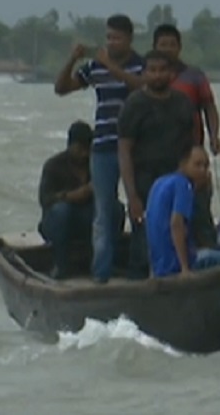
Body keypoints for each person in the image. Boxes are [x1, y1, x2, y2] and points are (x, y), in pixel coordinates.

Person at [53, 14, 145, 283]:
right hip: (103, 146)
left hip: (135, 147)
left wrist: (111, 67)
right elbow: (61, 88)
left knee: (138, 207)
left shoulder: (141, 65)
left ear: (129, 39)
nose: (112, 43)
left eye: (117, 38)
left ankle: (138, 270)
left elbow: (142, 87)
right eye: (108, 38)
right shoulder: (95, 67)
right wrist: (73, 59)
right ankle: (101, 274)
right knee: (103, 212)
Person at [118, 50, 198, 278]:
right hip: (145, 181)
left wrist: (199, 175)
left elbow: (192, 145)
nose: (157, 75)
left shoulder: (183, 103)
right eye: (152, 70)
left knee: (182, 232)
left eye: (163, 70)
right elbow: (124, 151)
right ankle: (138, 289)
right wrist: (132, 194)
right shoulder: (134, 105)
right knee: (144, 240)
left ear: (172, 73)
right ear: (144, 73)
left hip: (178, 180)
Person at [152, 23, 220, 249]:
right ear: (155, 47)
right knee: (163, 210)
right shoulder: (150, 77)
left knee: (199, 206)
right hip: (159, 154)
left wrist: (214, 136)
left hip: (192, 153)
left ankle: (208, 253)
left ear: (180, 47)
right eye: (162, 45)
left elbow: (209, 107)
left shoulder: (194, 76)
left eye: (172, 45)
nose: (167, 49)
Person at [145, 146, 220, 278]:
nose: (203, 170)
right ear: (184, 164)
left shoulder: (159, 183)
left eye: (206, 166)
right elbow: (176, 224)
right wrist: (185, 269)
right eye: (197, 165)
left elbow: (152, 224)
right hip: (177, 266)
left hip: (160, 266)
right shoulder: (183, 184)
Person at [37, 121, 124, 279]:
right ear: (70, 145)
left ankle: (108, 261)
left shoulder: (96, 165)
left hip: (88, 217)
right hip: (59, 222)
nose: (84, 154)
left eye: (87, 149)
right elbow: (45, 199)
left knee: (116, 209)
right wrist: (70, 196)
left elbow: (111, 195)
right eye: (80, 149)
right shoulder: (54, 165)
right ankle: (61, 264)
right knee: (61, 211)